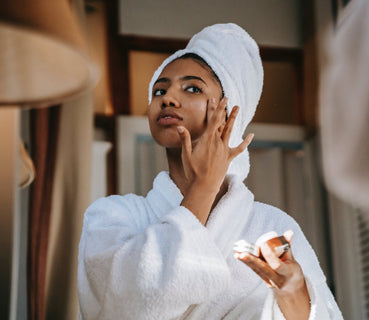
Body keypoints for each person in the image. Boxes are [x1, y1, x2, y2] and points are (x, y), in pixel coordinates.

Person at [77, 23, 342, 320]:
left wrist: (294, 292)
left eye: (192, 88)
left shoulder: (272, 226)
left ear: (229, 112)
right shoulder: (112, 216)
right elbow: (127, 308)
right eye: (159, 90)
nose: (167, 98)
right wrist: (204, 185)